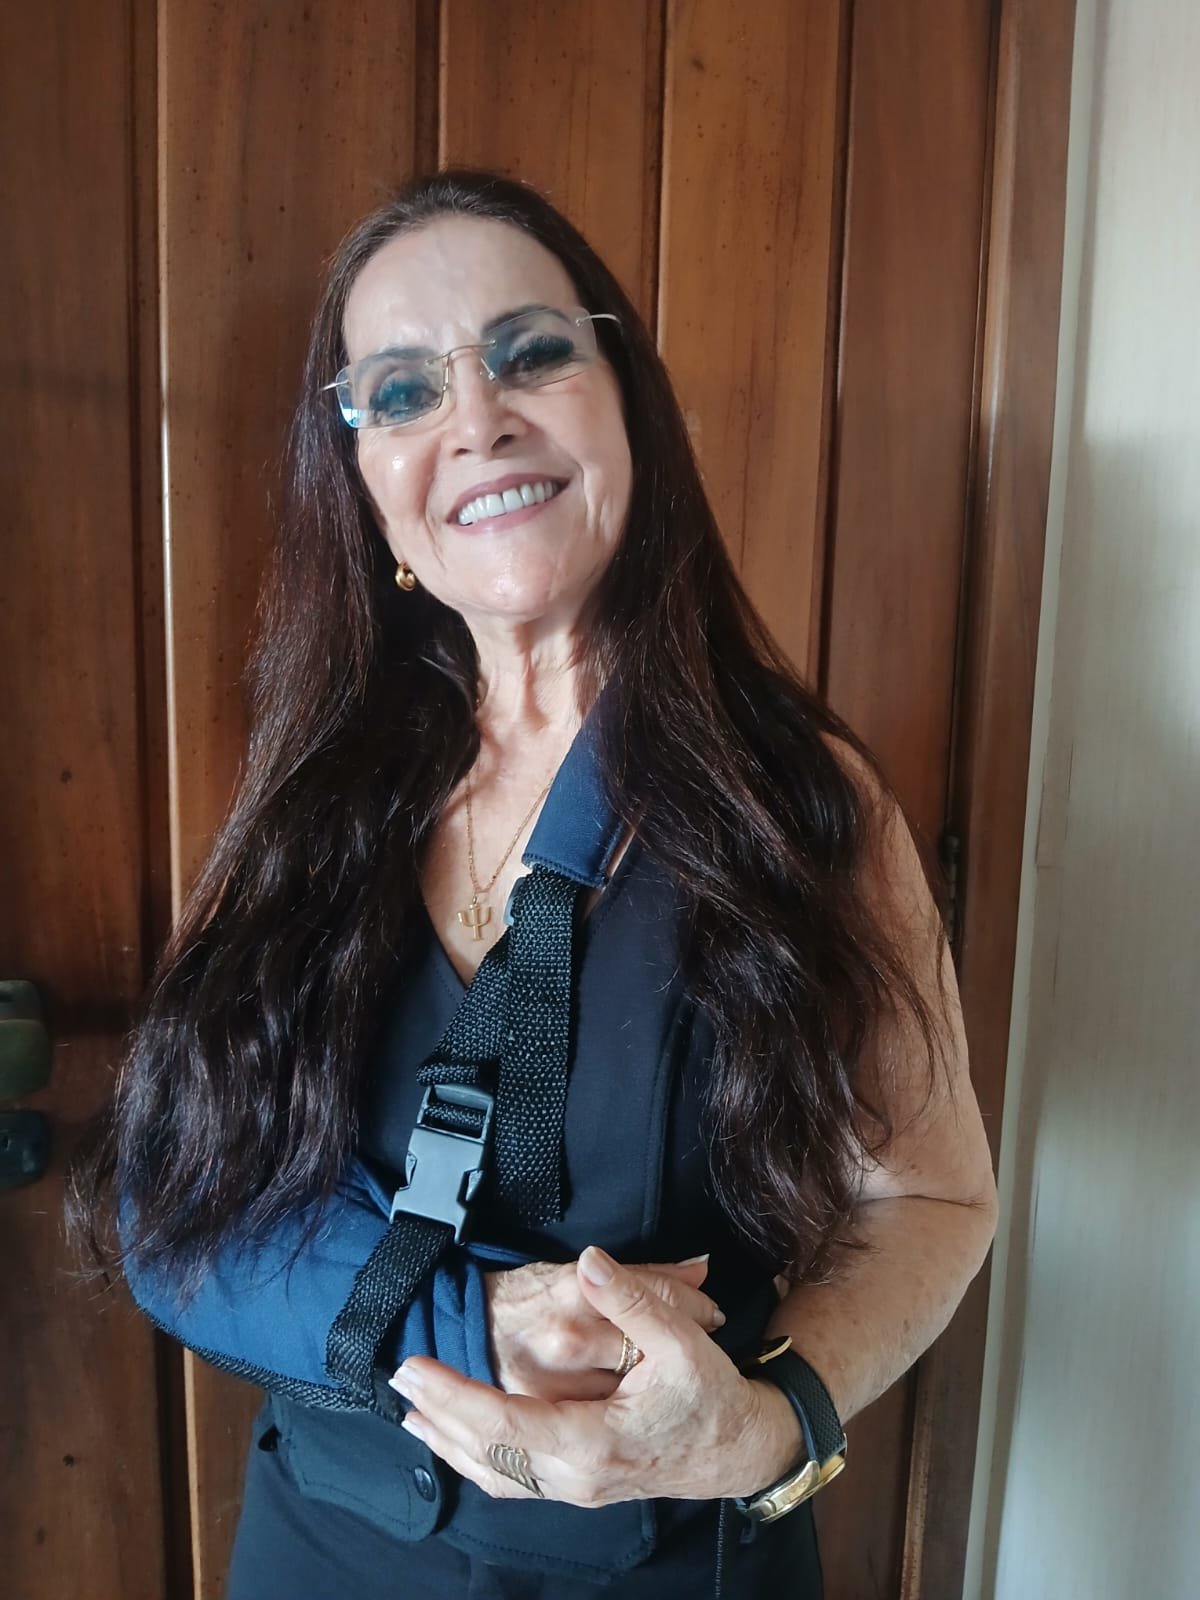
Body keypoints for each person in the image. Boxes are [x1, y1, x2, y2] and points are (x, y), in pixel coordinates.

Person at [69, 169, 998, 1599]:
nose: (476, 418)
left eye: (531, 353)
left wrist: (770, 1428)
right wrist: (454, 1320)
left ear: (628, 409)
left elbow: (932, 1203)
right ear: (370, 492)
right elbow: (170, 1209)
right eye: (401, 392)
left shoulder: (805, 804)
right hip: (321, 1550)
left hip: (667, 1562)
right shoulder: (309, 798)